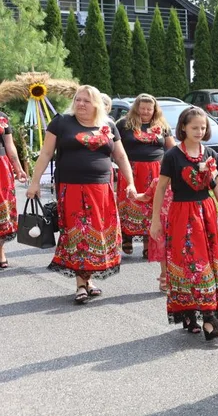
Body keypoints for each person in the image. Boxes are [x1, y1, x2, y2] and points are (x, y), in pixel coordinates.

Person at [27, 85, 137, 303]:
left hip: (101, 189)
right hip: (71, 187)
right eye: (78, 100)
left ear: (96, 103)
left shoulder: (108, 125)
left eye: (86, 100)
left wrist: (131, 183)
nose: (81, 104)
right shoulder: (61, 122)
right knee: (78, 232)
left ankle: (89, 280)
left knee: (98, 232)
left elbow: (121, 157)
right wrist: (34, 182)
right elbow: (46, 153)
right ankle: (81, 284)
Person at [149, 106, 218, 340]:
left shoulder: (210, 153)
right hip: (182, 214)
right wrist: (155, 221)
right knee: (189, 263)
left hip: (206, 213)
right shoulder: (172, 156)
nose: (199, 131)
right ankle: (190, 313)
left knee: (209, 264)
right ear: (183, 128)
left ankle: (209, 318)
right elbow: (161, 188)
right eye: (194, 127)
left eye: (203, 127)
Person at [116, 94, 174, 266]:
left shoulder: (162, 125)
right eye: (142, 109)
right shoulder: (124, 124)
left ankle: (148, 242)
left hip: (156, 170)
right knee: (129, 202)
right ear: (136, 108)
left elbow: (172, 148)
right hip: (131, 170)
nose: (146, 112)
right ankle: (127, 236)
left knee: (152, 204)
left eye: (149, 109)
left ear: (155, 110)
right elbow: (115, 146)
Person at [0, 113, 29, 268]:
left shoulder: (2, 117)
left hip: (1, 169)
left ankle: (0, 251)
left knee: (3, 211)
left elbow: (9, 145)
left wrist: (18, 169)